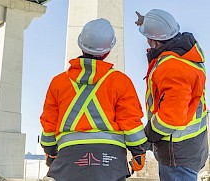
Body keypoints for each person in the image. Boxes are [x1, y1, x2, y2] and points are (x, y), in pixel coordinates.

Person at [40, 18, 149, 181]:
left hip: (68, 157)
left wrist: (50, 151)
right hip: (110, 161)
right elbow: (131, 123)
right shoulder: (120, 81)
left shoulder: (59, 82)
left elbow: (49, 123)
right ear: (107, 51)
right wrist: (138, 151)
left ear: (80, 45)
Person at [135, 9, 208, 180]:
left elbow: (171, 117)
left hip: (178, 151)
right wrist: (148, 22)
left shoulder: (171, 67)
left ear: (153, 40)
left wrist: (149, 135)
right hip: (191, 146)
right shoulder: (186, 56)